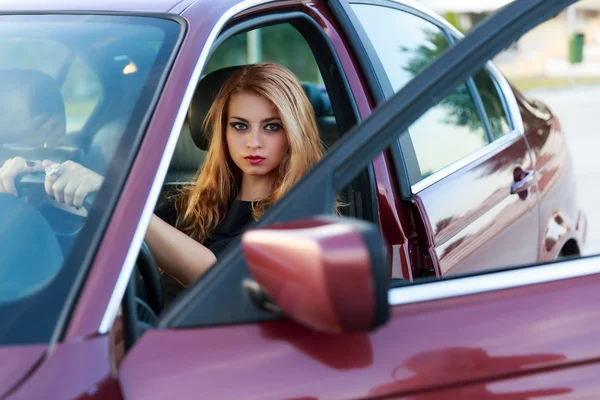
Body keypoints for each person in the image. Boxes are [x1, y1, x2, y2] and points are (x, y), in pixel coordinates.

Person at [0, 62, 325, 302]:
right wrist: (47, 186)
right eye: (240, 126)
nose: (254, 142)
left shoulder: (303, 218)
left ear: (295, 131)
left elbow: (216, 274)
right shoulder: (192, 204)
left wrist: (111, 196)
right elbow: (117, 240)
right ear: (222, 133)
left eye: (271, 127)